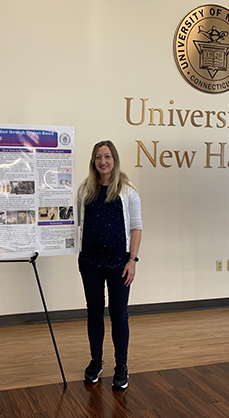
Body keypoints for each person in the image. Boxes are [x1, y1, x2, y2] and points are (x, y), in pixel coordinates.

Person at [77, 140, 142, 390]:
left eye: (107, 156)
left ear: (114, 160)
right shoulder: (85, 190)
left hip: (119, 264)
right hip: (90, 263)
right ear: (93, 162)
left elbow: (136, 228)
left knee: (119, 315)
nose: (102, 161)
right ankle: (96, 360)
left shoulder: (127, 190)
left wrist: (132, 260)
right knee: (94, 312)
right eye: (97, 157)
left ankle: (121, 365)